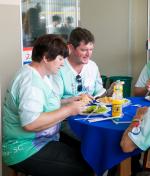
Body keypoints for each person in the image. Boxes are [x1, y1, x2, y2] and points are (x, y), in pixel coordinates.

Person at [2, 34, 93, 176]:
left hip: (45, 140)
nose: (63, 63)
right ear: (45, 57)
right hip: (25, 149)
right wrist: (69, 110)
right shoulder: (30, 82)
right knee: (85, 167)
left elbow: (41, 103)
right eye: (60, 59)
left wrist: (70, 100)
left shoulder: (40, 75)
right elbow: (31, 123)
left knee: (89, 151)